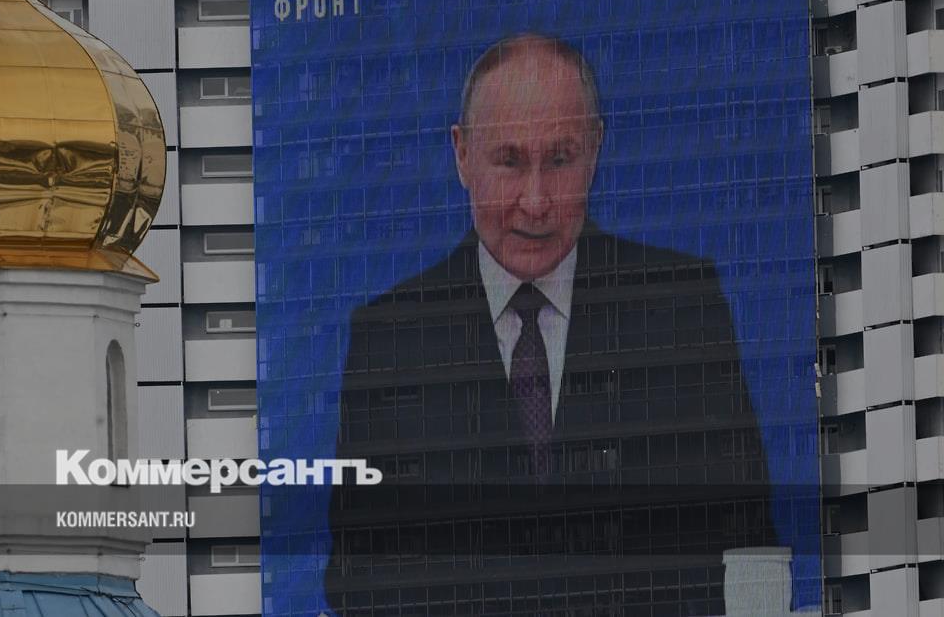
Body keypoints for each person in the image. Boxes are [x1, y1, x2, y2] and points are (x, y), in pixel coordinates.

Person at [325, 34, 777, 616]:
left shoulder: (679, 310)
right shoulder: (389, 340)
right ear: (462, 155)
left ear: (595, 149)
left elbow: (750, 544)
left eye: (560, 160)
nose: (535, 202)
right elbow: (357, 581)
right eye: (509, 161)